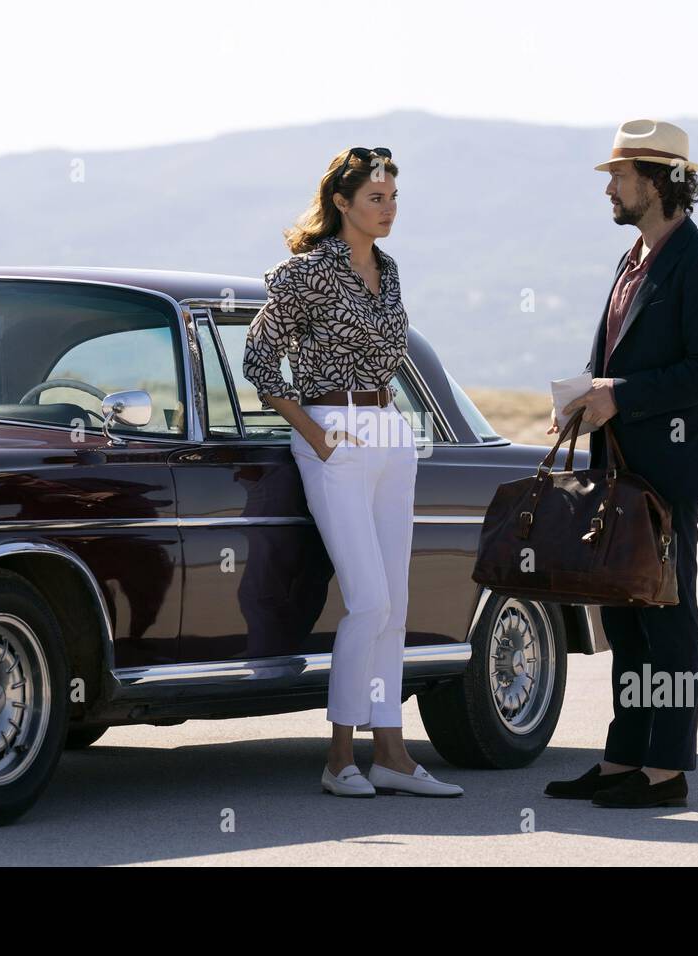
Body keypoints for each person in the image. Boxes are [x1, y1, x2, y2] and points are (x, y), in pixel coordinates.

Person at [242, 146, 463, 798]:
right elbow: (260, 364)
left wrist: (390, 428)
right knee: (367, 601)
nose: (388, 208)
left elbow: (387, 359)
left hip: (390, 434)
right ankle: (339, 757)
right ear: (342, 202)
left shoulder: (389, 272)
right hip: (332, 433)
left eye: (393, 197)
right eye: (375, 197)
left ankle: (391, 754)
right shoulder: (305, 274)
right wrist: (314, 432)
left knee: (394, 606)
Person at [545, 119, 698, 808]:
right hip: (617, 470)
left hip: (668, 473)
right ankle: (625, 757)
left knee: (668, 617)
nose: (610, 188)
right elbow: (622, 363)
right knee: (624, 619)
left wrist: (618, 395)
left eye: (619, 176)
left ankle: (668, 769)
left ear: (657, 181)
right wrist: (585, 399)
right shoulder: (633, 260)